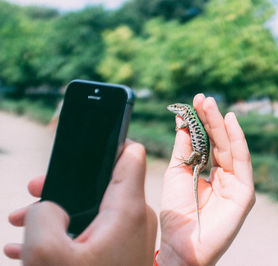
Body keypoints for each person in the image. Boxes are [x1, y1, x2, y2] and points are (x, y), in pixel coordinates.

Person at [4, 94, 255, 265]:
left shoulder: (189, 119)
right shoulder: (189, 120)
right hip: (198, 159)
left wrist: (177, 259)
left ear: (183, 111)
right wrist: (176, 260)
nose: (173, 110)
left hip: (198, 157)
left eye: (176, 109)